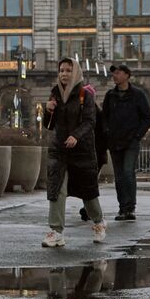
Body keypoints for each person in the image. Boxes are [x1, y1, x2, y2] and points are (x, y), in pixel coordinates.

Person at [43, 57, 107, 247]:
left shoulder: (84, 95)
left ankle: (99, 222)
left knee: (87, 193)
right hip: (59, 151)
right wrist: (47, 111)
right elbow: (49, 126)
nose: (64, 74)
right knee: (57, 190)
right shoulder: (54, 94)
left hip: (82, 153)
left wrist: (76, 136)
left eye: (68, 70)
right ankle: (56, 231)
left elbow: (90, 122)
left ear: (76, 72)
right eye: (61, 70)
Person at [101, 63, 150, 221]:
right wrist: (107, 132)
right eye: (113, 73)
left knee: (128, 173)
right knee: (119, 176)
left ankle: (130, 208)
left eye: (117, 73)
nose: (114, 76)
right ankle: (122, 208)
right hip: (115, 142)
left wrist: (137, 135)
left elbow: (148, 117)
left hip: (131, 142)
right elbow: (104, 117)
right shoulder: (110, 95)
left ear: (126, 75)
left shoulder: (138, 94)